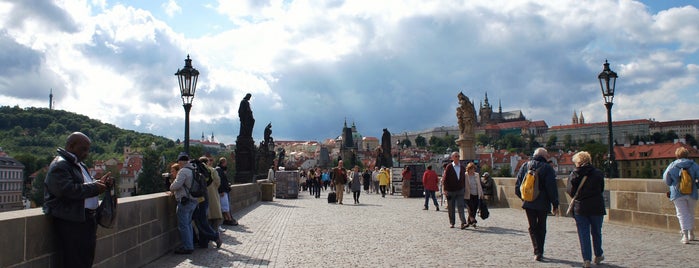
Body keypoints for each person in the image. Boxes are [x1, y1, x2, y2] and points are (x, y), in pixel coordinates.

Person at [43, 132, 112, 267]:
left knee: (85, 260)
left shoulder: (78, 164)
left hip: (84, 220)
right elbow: (66, 190)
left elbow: (83, 184)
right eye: (83, 149)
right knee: (75, 261)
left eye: (88, 150)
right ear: (71, 146)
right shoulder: (60, 165)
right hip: (72, 222)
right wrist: (95, 188)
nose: (86, 153)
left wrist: (99, 183)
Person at [515, 147, 559, 262]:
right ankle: (540, 250)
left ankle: (536, 251)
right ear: (544, 156)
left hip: (528, 203)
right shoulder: (547, 168)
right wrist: (555, 203)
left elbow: (517, 186)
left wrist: (525, 198)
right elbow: (551, 188)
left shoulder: (525, 166)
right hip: (543, 203)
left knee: (532, 227)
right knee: (542, 226)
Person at [567, 151, 606, 267]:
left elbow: (570, 191)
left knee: (583, 233)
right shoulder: (598, 173)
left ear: (578, 162)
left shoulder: (574, 174)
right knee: (596, 232)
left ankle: (586, 260)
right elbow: (601, 189)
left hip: (581, 207)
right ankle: (598, 255)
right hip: (596, 207)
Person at [662, 147, 699, 244]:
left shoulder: (672, 165)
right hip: (692, 192)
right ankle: (691, 233)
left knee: (682, 214)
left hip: (677, 193)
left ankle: (685, 236)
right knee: (691, 213)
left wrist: (673, 183)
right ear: (687, 155)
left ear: (677, 155)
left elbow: (666, 179)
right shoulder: (694, 164)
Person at [169, 152, 198, 254]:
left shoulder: (183, 171)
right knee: (188, 224)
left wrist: (171, 185)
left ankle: (188, 247)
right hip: (194, 200)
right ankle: (190, 244)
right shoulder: (193, 169)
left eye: (179, 162)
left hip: (185, 201)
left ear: (181, 162)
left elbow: (175, 186)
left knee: (183, 225)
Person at [191, 157, 221, 249]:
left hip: (198, 197)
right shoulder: (211, 170)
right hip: (209, 196)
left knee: (201, 221)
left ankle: (214, 237)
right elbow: (218, 182)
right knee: (203, 220)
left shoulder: (194, 170)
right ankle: (203, 242)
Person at [442, 152, 468, 229]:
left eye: (458, 156)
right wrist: (445, 189)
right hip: (450, 190)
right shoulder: (449, 167)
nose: (457, 158)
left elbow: (464, 179)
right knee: (451, 207)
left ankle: (463, 222)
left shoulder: (462, 167)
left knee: (461, 206)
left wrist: (464, 188)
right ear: (452, 158)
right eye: (456, 156)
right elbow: (445, 179)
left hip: (460, 189)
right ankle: (452, 222)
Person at [217, 157, 238, 226]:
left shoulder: (220, 169)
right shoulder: (219, 170)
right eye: (226, 162)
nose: (226, 164)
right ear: (223, 162)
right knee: (225, 206)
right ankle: (229, 219)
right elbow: (220, 181)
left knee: (225, 206)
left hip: (224, 190)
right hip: (223, 191)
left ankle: (227, 219)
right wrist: (221, 190)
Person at [464, 162, 483, 228]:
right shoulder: (465, 175)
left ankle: (470, 222)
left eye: (473, 169)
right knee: (470, 208)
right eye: (471, 169)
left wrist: (481, 193)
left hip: (476, 193)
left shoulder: (476, 175)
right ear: (468, 169)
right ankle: (473, 220)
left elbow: (479, 184)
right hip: (468, 194)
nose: (472, 170)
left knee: (475, 208)